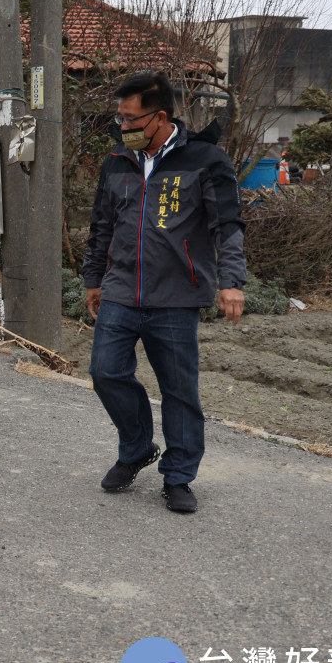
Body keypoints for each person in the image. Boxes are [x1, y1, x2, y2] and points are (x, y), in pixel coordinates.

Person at [83, 70, 247, 514]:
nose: (124, 127)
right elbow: (102, 225)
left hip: (178, 294)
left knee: (179, 389)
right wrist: (93, 279)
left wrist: (231, 282)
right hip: (120, 289)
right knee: (105, 372)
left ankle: (178, 476)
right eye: (119, 118)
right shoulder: (118, 161)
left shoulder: (205, 159)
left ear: (159, 117)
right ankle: (137, 447)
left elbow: (227, 225)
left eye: (131, 119)